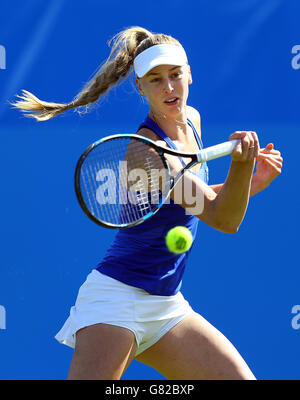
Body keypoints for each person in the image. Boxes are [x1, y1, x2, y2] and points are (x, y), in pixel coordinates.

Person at [13, 26, 283, 380]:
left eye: (175, 75)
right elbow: (223, 218)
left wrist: (248, 181)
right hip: (116, 300)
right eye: (155, 80)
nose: (169, 87)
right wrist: (242, 167)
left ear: (190, 74)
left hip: (166, 304)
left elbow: (195, 200)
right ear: (140, 86)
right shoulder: (147, 152)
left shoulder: (193, 120)